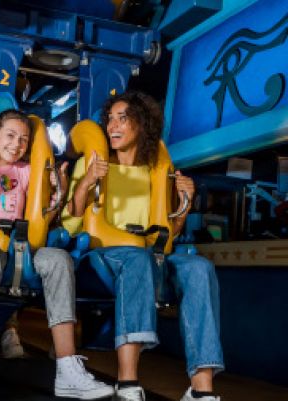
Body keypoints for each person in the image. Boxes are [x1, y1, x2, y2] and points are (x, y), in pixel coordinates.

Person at [63, 91, 223, 401]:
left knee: (199, 268)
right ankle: (128, 382)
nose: (112, 126)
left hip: (151, 255)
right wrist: (85, 183)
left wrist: (184, 203)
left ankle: (201, 390)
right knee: (136, 257)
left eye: (123, 119)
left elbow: (170, 232)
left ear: (142, 125)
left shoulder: (156, 170)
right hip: (101, 258)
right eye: (110, 119)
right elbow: (71, 221)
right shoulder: (93, 161)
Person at [0, 110, 112, 399]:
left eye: (24, 139)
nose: (17, 144)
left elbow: (46, 215)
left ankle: (67, 367)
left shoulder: (27, 171)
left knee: (59, 260)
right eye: (10, 136)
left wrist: (56, 190)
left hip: (22, 250)